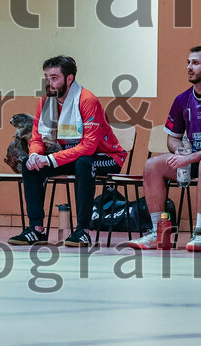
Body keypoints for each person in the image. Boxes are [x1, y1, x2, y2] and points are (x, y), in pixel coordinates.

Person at [127, 47, 201, 251]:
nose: (189, 67)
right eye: (188, 62)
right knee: (153, 165)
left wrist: (191, 158)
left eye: (195, 63)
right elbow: (172, 138)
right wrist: (180, 150)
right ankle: (157, 232)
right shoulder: (182, 99)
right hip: (192, 158)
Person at [8, 56, 128, 248]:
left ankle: (82, 231)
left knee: (84, 163)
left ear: (69, 78)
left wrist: (50, 159)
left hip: (108, 157)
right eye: (46, 77)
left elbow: (88, 147)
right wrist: (35, 156)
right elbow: (37, 138)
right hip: (72, 155)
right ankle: (36, 229)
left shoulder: (87, 100)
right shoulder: (45, 102)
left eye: (54, 78)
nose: (49, 83)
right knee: (30, 166)